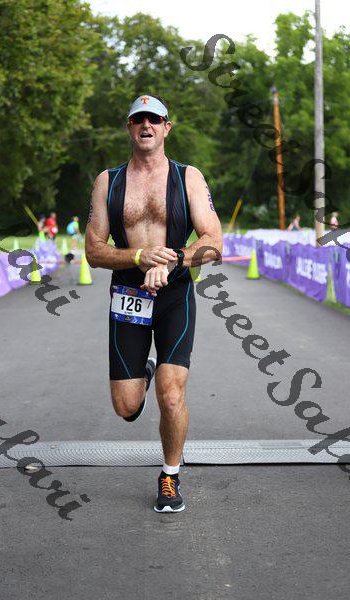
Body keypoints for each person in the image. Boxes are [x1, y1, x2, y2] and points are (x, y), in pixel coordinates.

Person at [85, 94, 222, 512]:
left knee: (171, 392)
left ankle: (170, 475)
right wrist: (138, 257)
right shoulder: (108, 182)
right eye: (138, 119)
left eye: (154, 119)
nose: (146, 124)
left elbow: (214, 243)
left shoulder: (188, 177)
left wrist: (172, 259)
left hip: (174, 294)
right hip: (129, 295)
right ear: (129, 127)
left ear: (166, 127)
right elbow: (93, 251)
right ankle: (142, 373)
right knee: (126, 407)